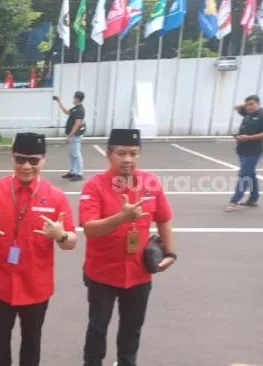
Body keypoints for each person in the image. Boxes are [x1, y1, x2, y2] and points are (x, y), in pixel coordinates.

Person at [0, 132, 77, 366]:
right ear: (12, 157)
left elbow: (71, 243)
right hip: (0, 282)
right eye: (20, 159)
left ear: (44, 160)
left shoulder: (56, 197)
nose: (26, 166)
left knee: (32, 342)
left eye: (34, 160)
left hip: (36, 285)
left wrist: (61, 235)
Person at [78, 129, 176, 366]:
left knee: (132, 328)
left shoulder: (150, 183)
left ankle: (127, 362)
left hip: (139, 272)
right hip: (102, 273)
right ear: (108, 154)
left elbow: (163, 218)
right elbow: (89, 228)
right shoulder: (94, 186)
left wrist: (171, 252)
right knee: (97, 328)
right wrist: (120, 218)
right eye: (121, 153)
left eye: (133, 153)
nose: (127, 159)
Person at [225, 95, 263, 212]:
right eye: (248, 104)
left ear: (258, 103)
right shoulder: (248, 114)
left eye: (252, 104)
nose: (249, 107)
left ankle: (234, 201)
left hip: (254, 151)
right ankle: (253, 199)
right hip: (242, 149)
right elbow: (236, 107)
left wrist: (249, 138)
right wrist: (246, 106)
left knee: (244, 175)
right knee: (250, 174)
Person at [54, 91, 86, 181]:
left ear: (77, 98)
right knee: (72, 154)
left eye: (74, 97)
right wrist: (59, 102)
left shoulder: (80, 110)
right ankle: (72, 171)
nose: (73, 99)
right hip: (72, 135)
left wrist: (70, 135)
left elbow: (77, 124)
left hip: (75, 135)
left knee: (76, 154)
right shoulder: (75, 108)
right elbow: (66, 112)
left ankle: (79, 173)